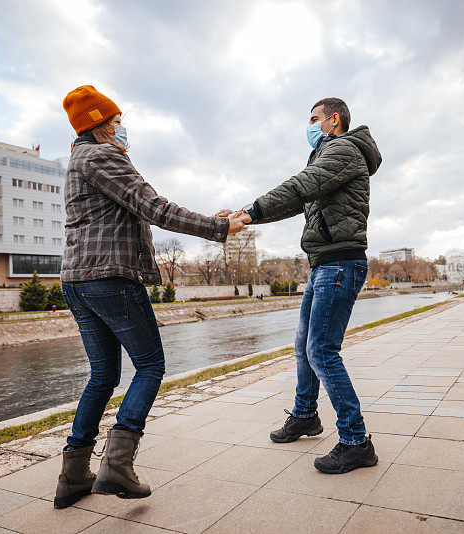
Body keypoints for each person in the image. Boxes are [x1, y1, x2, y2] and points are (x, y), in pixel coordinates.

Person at [54, 85, 245, 509]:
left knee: (103, 376)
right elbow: (152, 206)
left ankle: (72, 476)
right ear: (100, 124)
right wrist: (218, 230)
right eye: (117, 121)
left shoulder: (77, 160)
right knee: (151, 365)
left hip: (78, 282)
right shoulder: (102, 156)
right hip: (110, 279)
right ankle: (116, 466)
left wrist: (208, 221)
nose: (122, 129)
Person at [222, 97, 382, 474]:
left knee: (322, 350)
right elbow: (296, 200)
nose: (309, 126)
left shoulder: (343, 149)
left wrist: (249, 211)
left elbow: (300, 186)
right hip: (324, 264)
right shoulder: (327, 154)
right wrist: (246, 215)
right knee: (303, 346)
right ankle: (306, 415)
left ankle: (356, 442)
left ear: (334, 119)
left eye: (314, 119)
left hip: (340, 263)